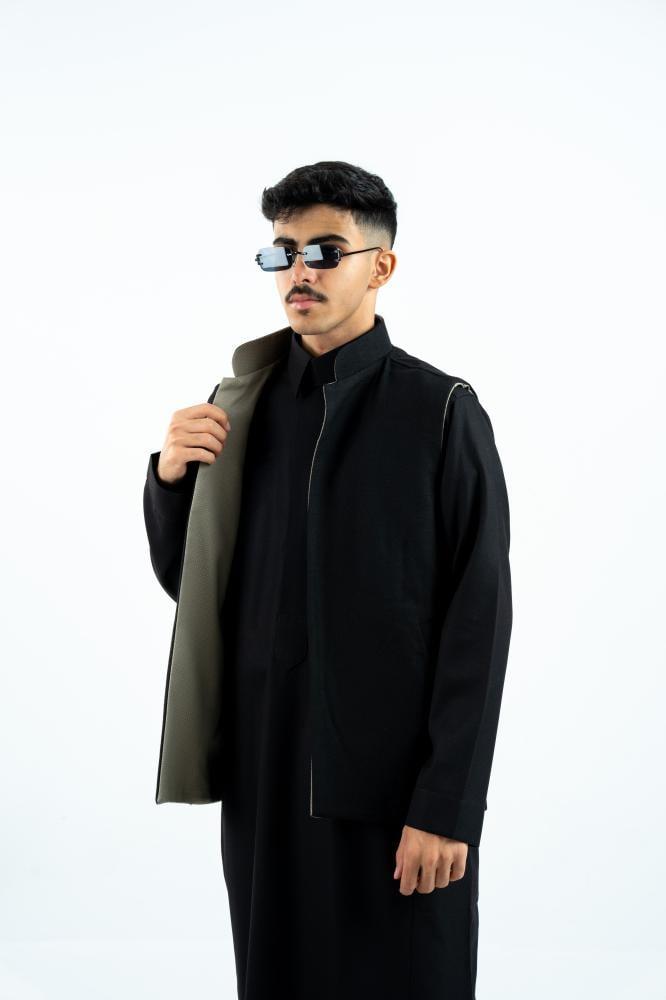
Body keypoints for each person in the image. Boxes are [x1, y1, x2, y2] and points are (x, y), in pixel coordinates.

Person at [143, 160, 513, 999]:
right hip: (265, 781)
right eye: (282, 252)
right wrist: (169, 482)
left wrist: (447, 807)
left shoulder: (440, 411)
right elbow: (198, 593)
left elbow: (479, 623)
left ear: (381, 266)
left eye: (324, 250)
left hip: (391, 794)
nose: (299, 272)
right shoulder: (239, 407)